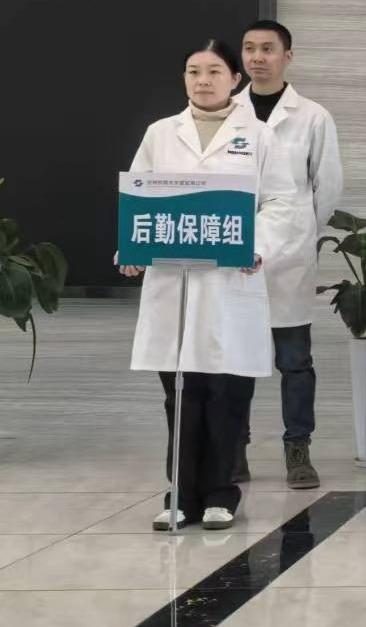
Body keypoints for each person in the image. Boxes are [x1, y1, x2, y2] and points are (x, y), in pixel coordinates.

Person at [120, 40, 296, 530]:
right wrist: (132, 249)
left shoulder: (258, 136)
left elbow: (282, 202)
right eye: (193, 71)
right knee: (180, 392)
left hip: (228, 283)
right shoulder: (161, 133)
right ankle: (180, 494)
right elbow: (139, 197)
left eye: (214, 71)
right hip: (173, 283)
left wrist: (257, 245)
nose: (202, 80)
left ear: (235, 79)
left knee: (226, 393)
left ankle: (221, 493)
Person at [233, 19, 343, 489]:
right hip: (235, 251)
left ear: (287, 56)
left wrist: (297, 231)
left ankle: (298, 449)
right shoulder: (227, 111)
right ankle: (234, 449)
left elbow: (327, 186)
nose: (257, 57)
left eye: (268, 49)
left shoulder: (312, 116)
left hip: (289, 258)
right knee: (236, 357)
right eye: (249, 49)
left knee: (295, 360)